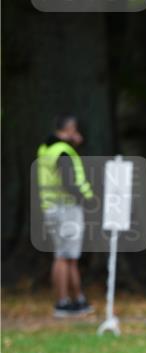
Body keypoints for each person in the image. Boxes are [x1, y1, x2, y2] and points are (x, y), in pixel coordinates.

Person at [37, 115, 95, 318]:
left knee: (66, 256)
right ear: (70, 129)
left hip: (51, 207)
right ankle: (63, 302)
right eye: (75, 130)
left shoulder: (46, 149)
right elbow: (69, 181)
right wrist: (87, 199)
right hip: (66, 208)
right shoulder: (63, 151)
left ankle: (76, 299)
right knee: (65, 256)